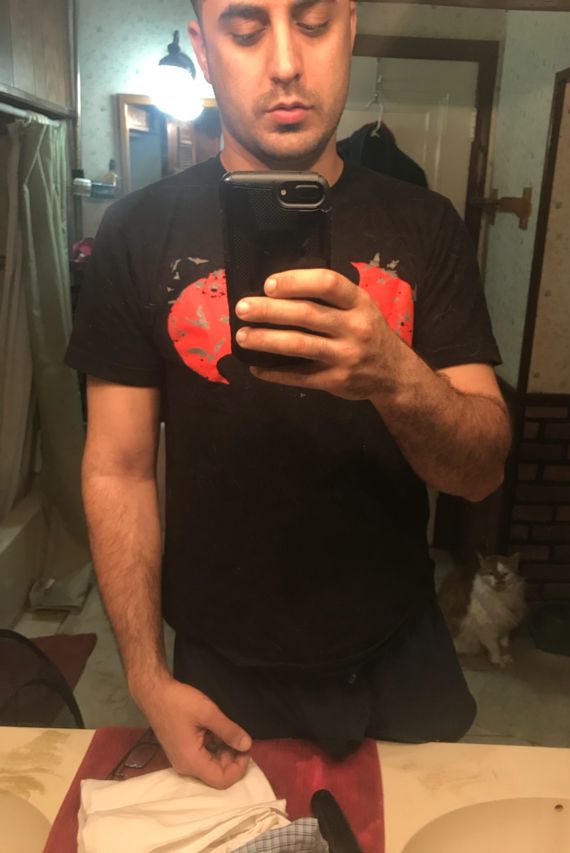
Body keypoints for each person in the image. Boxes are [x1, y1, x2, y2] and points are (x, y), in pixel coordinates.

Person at [66, 0, 511, 790]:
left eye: (312, 24)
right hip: (220, 663)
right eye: (245, 31)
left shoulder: (428, 224)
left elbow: (480, 471)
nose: (283, 64)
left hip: (400, 649)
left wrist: (392, 373)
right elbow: (117, 468)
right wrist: (146, 674)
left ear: (351, 28)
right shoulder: (136, 232)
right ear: (203, 48)